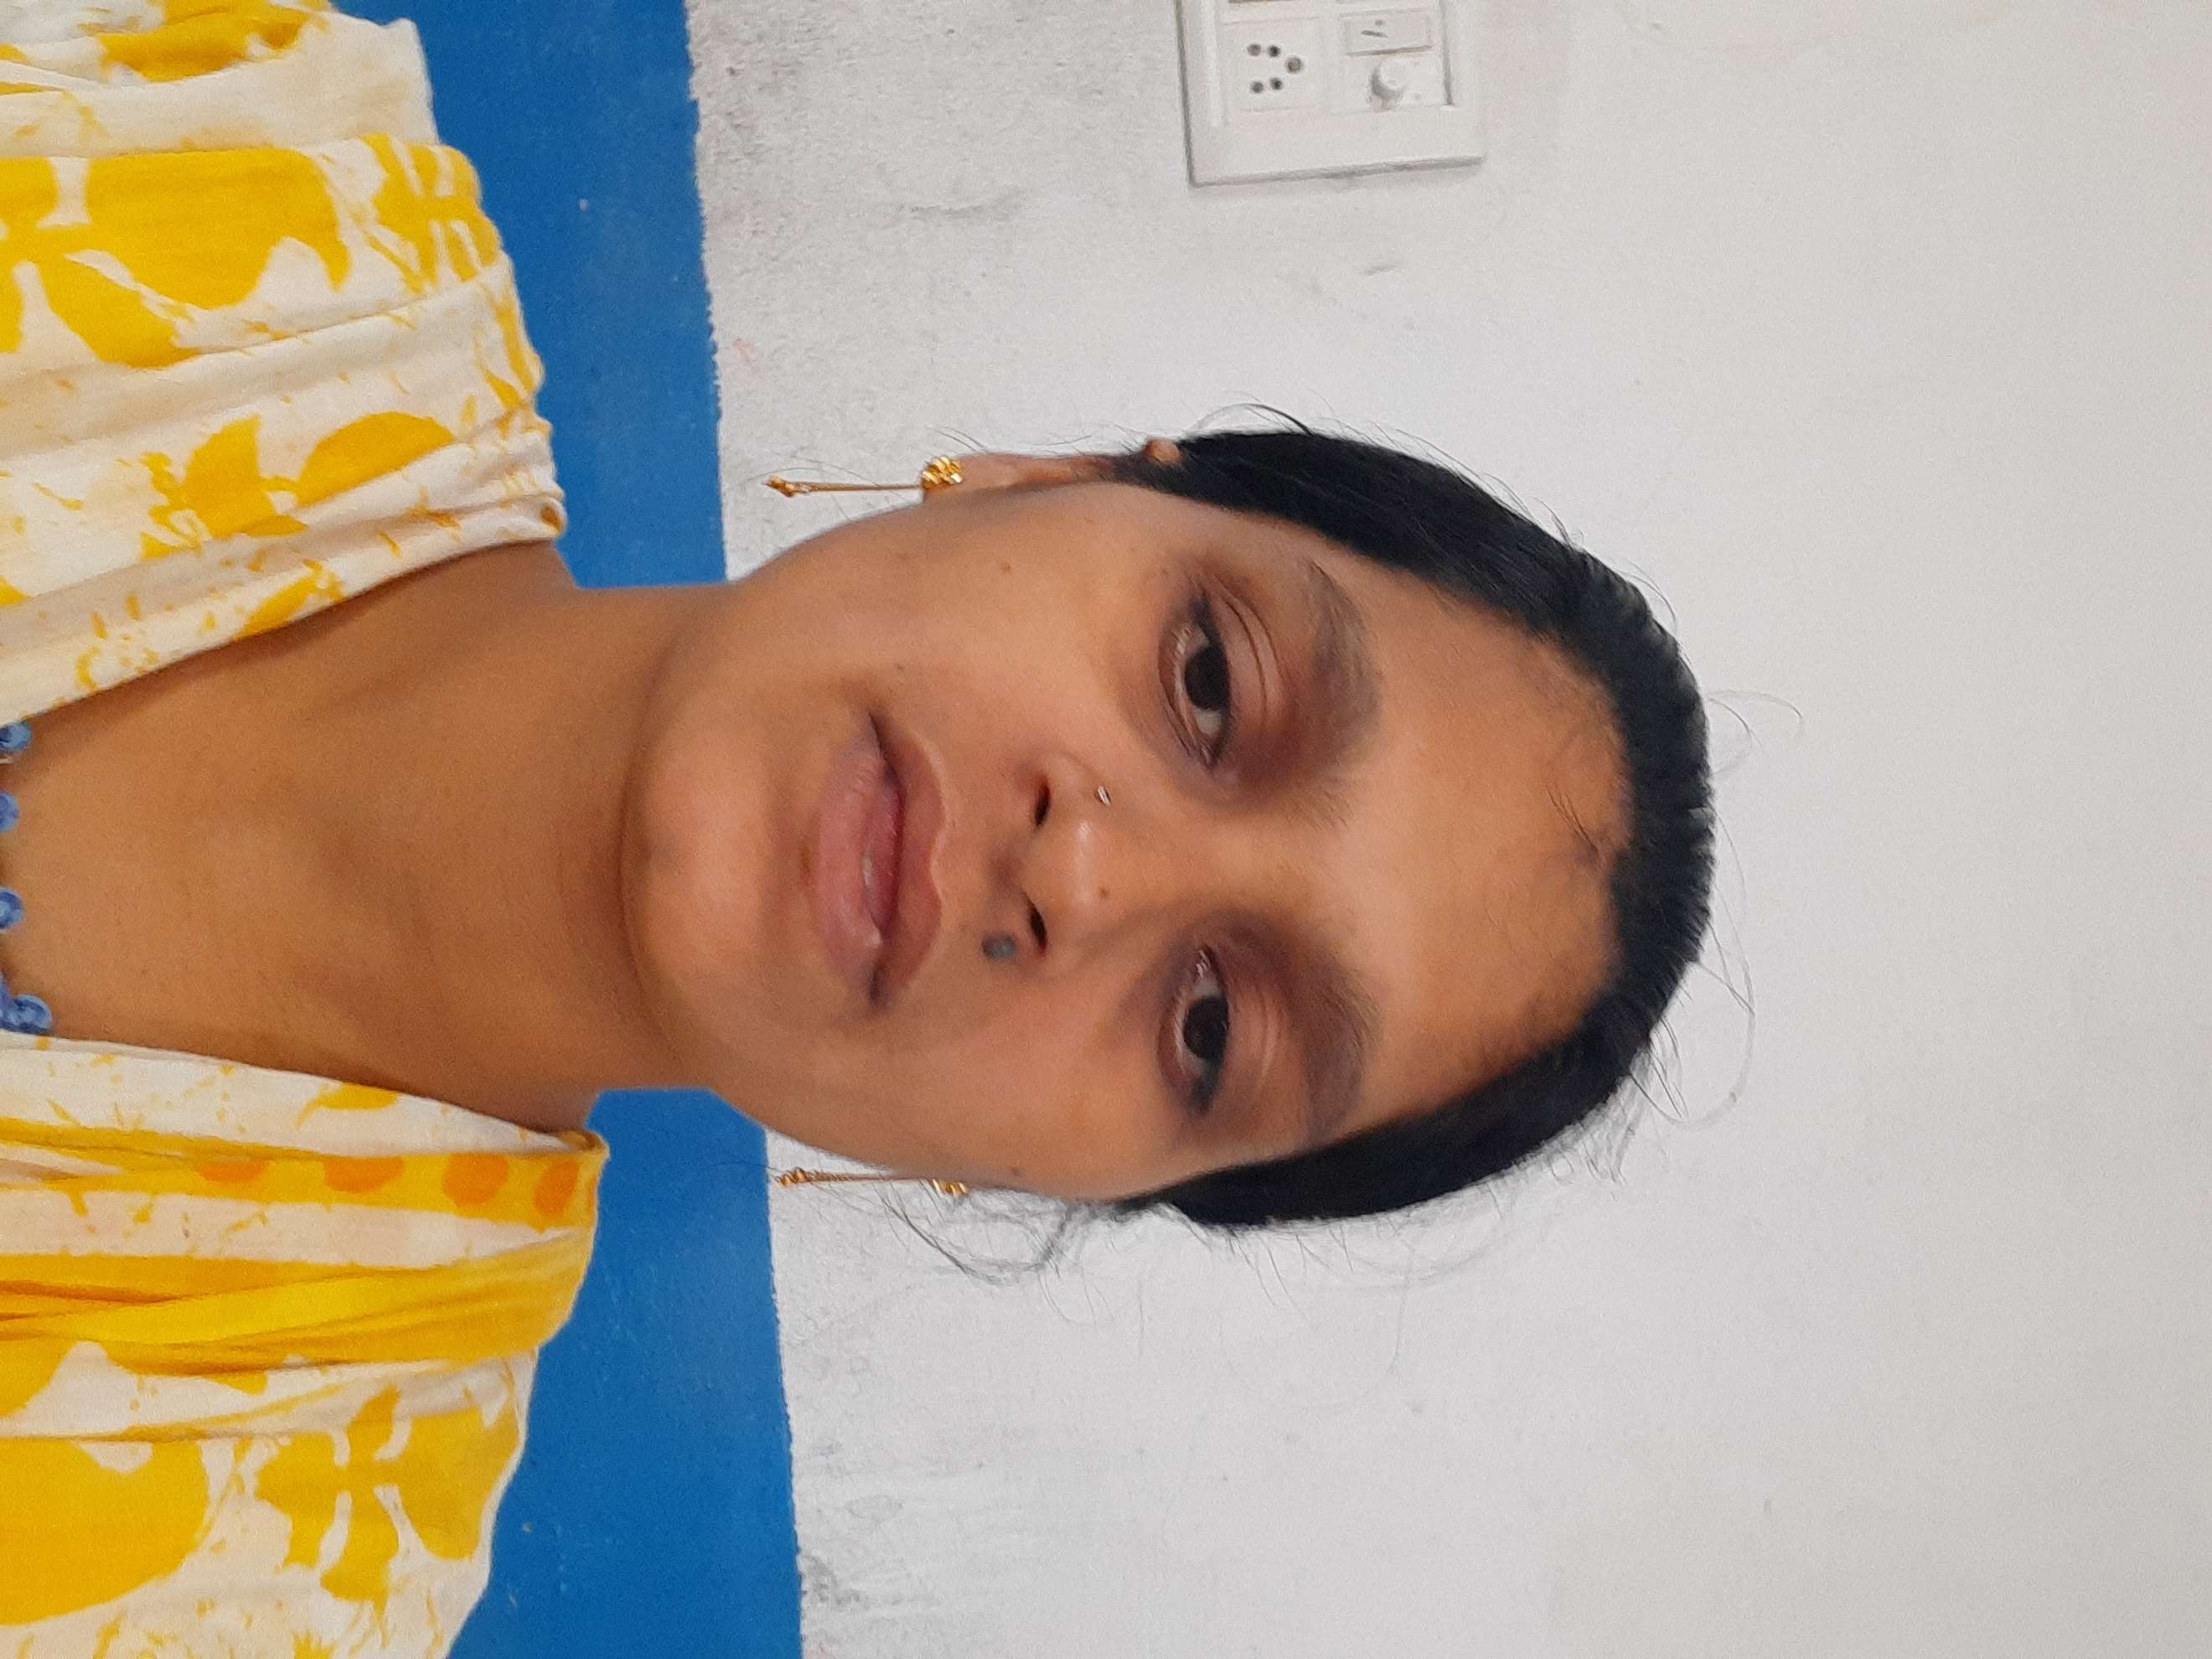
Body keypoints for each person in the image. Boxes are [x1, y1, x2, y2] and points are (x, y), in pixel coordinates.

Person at [0, 2, 1711, 1653]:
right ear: (1053, 478)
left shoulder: (247, 1577)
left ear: (1087, 1184)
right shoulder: (206, 153)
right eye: (1209, 681)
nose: (1086, 869)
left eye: (1212, 1028)